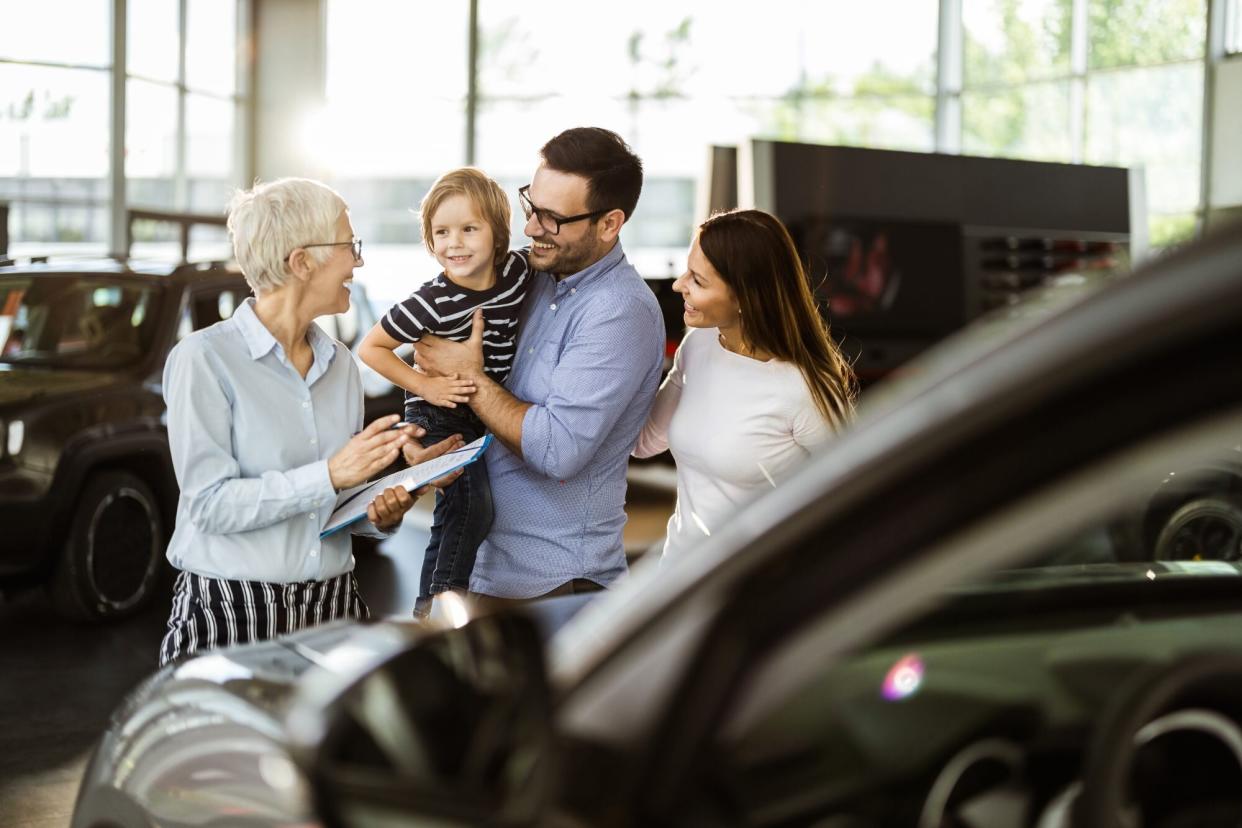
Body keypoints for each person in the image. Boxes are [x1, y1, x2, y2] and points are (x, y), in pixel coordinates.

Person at [158, 177, 462, 666]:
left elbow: (331, 508)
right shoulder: (204, 359)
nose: (358, 261)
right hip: (230, 610)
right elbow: (210, 507)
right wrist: (331, 474)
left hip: (333, 607)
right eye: (349, 245)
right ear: (302, 261)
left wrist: (395, 497)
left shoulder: (340, 362)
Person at [414, 127, 665, 607]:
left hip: (553, 587)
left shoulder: (619, 311)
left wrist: (470, 379)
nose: (531, 228)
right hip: (476, 570)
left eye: (552, 218)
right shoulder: (531, 279)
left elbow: (556, 449)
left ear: (610, 223)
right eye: (532, 205)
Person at [634, 208, 857, 559]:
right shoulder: (698, 345)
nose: (679, 285)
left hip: (759, 586)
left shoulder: (803, 389)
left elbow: (853, 497)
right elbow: (644, 441)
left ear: (744, 297)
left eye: (698, 280)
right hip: (680, 573)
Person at [357, 168, 531, 618]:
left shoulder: (517, 271)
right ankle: (436, 605)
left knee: (478, 508)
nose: (454, 243)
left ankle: (446, 597)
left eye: (469, 229)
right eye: (442, 232)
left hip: (480, 407)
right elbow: (371, 347)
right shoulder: (429, 301)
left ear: (498, 234)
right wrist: (426, 385)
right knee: (470, 505)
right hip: (440, 413)